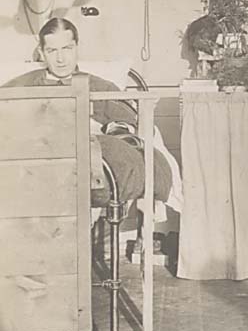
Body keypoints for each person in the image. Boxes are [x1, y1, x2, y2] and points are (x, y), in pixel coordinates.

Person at [4, 17, 172, 205]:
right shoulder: (19, 86)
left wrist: (107, 131)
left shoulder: (102, 87)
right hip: (34, 162)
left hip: (89, 166)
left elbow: (126, 125)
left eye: (67, 48)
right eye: (52, 51)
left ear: (77, 47)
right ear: (42, 53)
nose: (60, 59)